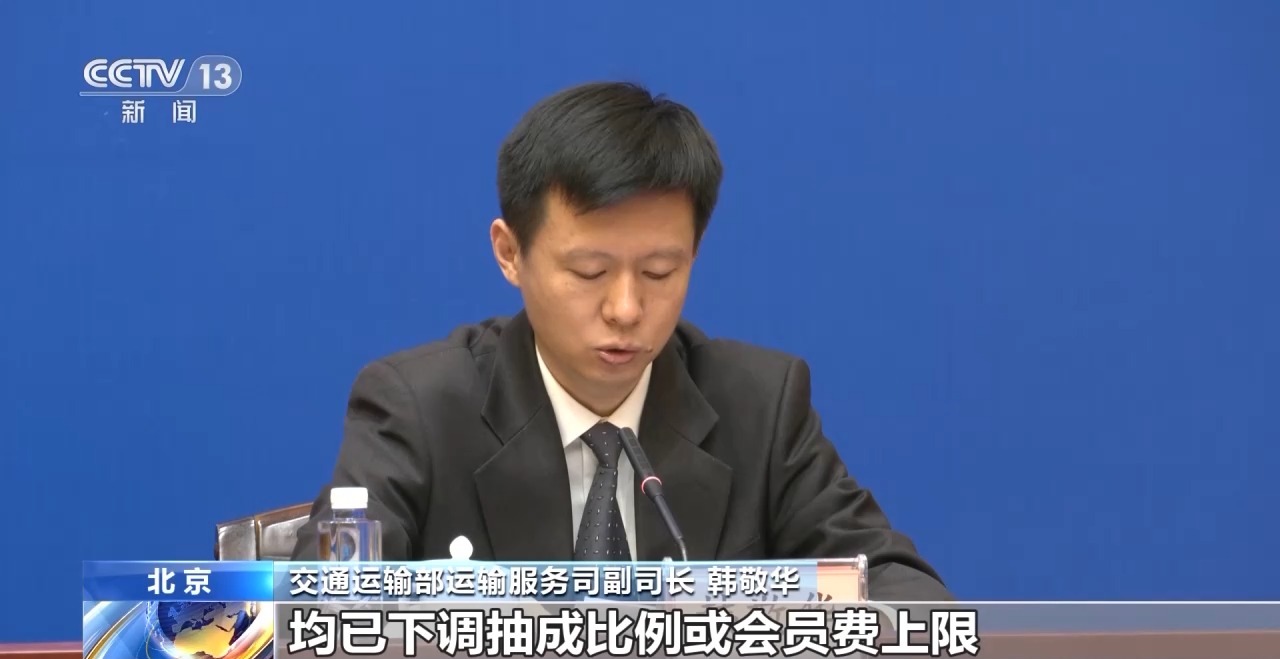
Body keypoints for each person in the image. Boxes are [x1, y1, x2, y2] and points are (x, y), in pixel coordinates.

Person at [292, 81, 952, 601]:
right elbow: (320, 611)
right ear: (510, 253)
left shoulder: (760, 406)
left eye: (660, 272)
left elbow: (901, 590)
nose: (627, 309)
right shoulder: (419, 408)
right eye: (590, 272)